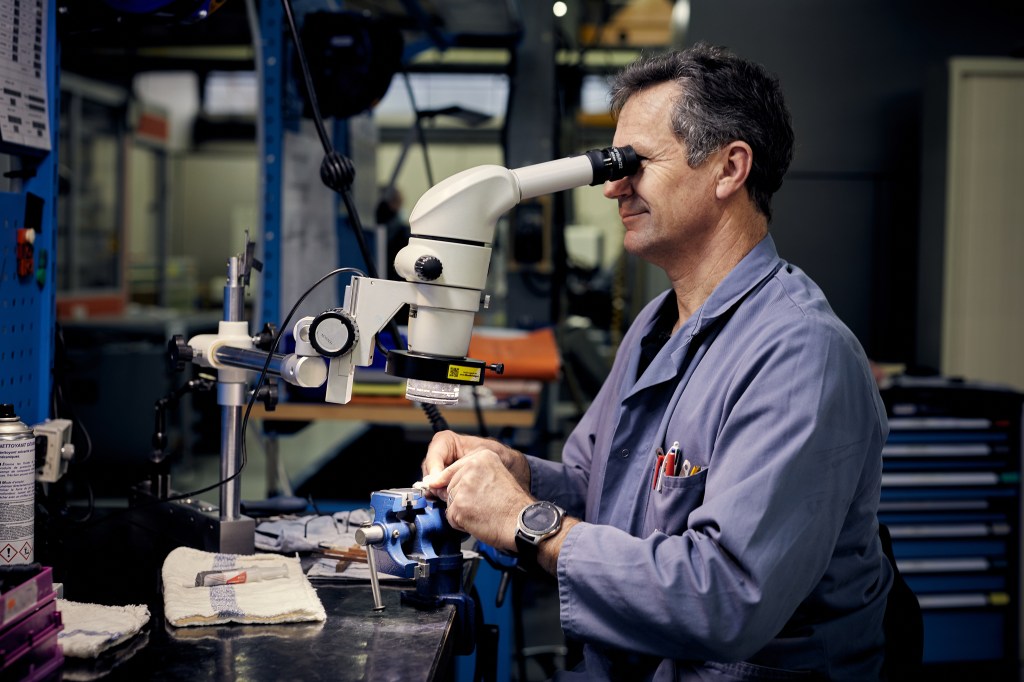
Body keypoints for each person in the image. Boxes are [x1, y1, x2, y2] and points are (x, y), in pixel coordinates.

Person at [421, 43, 892, 681]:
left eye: (634, 163)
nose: (612, 185)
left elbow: (725, 598)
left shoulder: (801, 354)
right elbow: (598, 490)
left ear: (729, 168)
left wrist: (524, 521)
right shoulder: (655, 323)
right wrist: (516, 474)